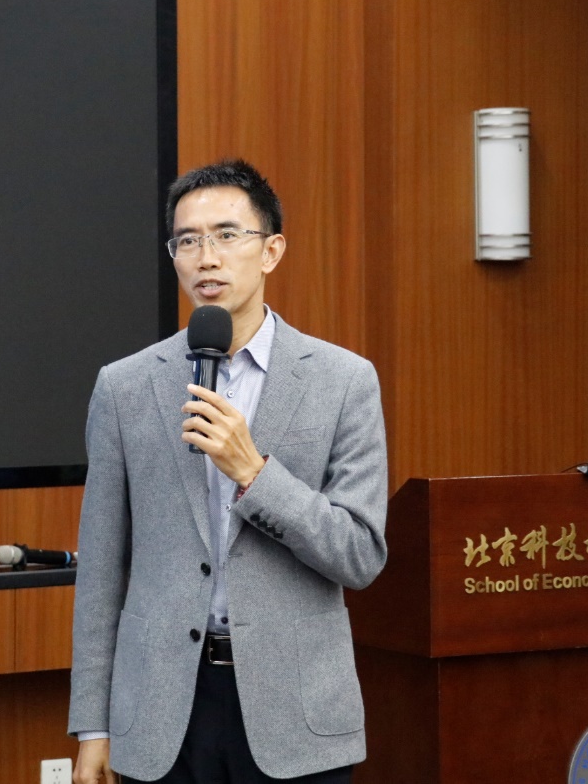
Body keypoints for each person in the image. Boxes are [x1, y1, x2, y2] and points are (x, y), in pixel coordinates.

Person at [69, 159, 388, 783]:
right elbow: (101, 570)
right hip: (162, 715)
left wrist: (256, 473)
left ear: (271, 251)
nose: (206, 257)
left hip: (295, 714)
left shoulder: (343, 381)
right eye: (187, 241)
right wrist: (92, 727)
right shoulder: (125, 387)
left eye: (226, 235)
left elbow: (360, 555)